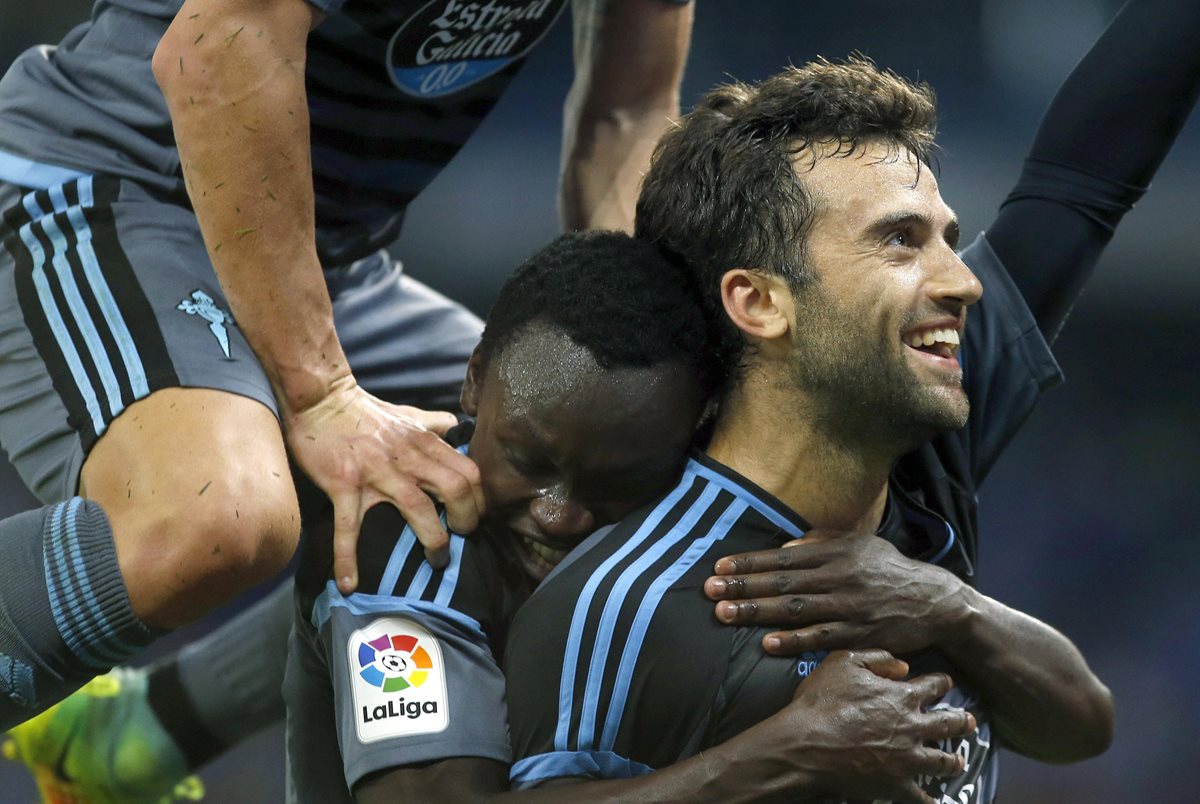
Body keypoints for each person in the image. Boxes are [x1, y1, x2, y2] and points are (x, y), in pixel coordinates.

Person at [504, 0, 1200, 799]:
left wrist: (948, 606)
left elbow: (1081, 185)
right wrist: (788, 754)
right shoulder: (629, 599)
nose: (964, 279)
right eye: (901, 240)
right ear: (759, 303)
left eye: (946, 237)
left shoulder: (920, 453)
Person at [0, 0, 692, 796]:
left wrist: (631, 368)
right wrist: (322, 395)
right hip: (118, 186)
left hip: (328, 254)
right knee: (214, 515)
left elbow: (628, 112)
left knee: (531, 489)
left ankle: (139, 733)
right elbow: (217, 46)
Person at [287, 230, 976, 804]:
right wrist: (788, 752)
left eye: (616, 483)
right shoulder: (414, 545)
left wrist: (955, 609)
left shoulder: (721, 539)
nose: (557, 515)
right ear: (474, 381)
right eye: (527, 458)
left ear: (695, 438)